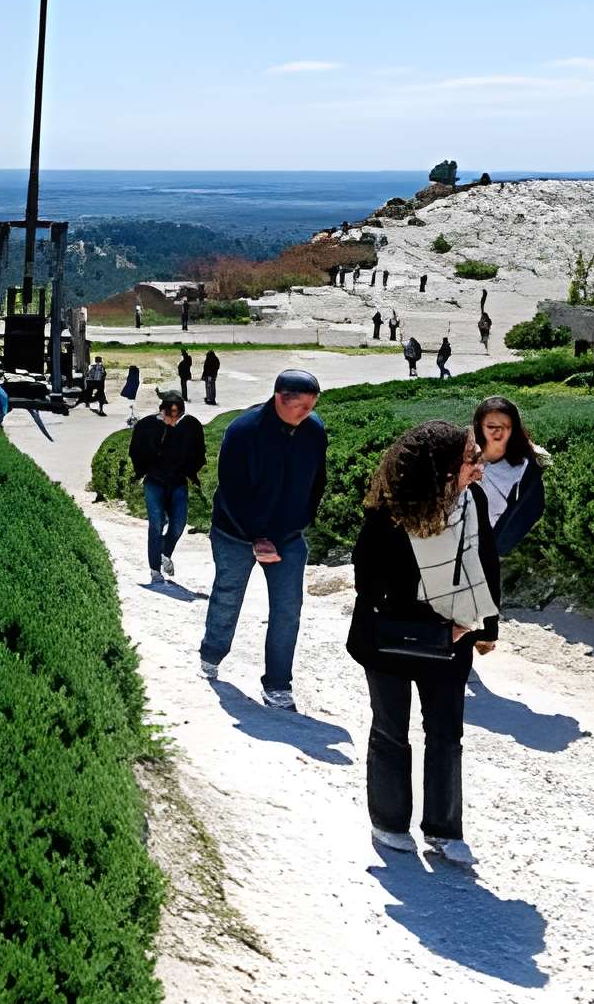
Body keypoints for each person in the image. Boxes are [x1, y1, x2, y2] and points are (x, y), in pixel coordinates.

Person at [349, 419, 501, 866]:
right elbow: (368, 583)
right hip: (391, 640)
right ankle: (390, 822)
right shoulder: (390, 512)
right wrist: (435, 625)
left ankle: (443, 829)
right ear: (439, 469)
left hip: (452, 636)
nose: (478, 469)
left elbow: (485, 560)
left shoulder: (470, 501)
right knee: (391, 731)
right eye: (470, 462)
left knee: (446, 735)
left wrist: (485, 626)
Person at [201, 367, 327, 709]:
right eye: (301, 406)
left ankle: (277, 684)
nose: (307, 413)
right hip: (235, 532)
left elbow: (317, 482)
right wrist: (256, 536)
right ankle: (211, 654)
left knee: (288, 609)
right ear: (279, 399)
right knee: (228, 595)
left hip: (287, 536)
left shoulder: (314, 431)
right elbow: (232, 491)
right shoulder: (243, 431)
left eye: (312, 406)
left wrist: (299, 523)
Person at [130, 388, 205, 583]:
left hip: (178, 482)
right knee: (156, 524)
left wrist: (192, 473)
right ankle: (155, 570)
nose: (173, 418)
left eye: (177, 415)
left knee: (179, 524)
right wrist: (141, 471)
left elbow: (198, 452)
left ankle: (164, 552)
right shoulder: (147, 426)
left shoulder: (190, 427)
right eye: (169, 414)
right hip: (154, 482)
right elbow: (135, 451)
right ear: (161, 410)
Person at [471, 394, 547, 559]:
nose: (498, 432)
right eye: (491, 426)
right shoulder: (465, 459)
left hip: (493, 552)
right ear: (479, 426)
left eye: (505, 426)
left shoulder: (524, 467)